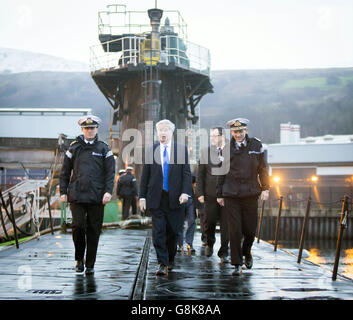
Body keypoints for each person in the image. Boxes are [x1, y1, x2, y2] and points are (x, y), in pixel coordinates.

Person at [59, 115, 115, 275]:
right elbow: (64, 172)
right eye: (86, 128)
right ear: (82, 130)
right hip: (77, 195)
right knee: (78, 227)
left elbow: (110, 173)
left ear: (96, 129)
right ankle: (78, 259)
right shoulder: (73, 148)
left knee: (94, 229)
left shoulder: (104, 149)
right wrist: (63, 192)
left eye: (92, 128)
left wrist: (108, 191)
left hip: (97, 196)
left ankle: (90, 263)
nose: (89, 131)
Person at [216, 118, 270, 276]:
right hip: (231, 194)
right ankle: (237, 264)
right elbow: (222, 172)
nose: (238, 134)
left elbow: (263, 169)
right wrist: (219, 193)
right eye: (235, 132)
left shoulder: (256, 146)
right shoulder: (226, 149)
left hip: (250, 193)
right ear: (231, 133)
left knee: (250, 229)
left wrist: (266, 188)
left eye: (240, 131)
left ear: (246, 131)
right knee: (234, 230)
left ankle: (247, 251)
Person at [139, 119, 192, 276]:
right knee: (159, 231)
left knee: (174, 231)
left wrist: (185, 192)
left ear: (171, 132)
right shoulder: (151, 150)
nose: (162, 133)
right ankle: (162, 263)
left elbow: (186, 174)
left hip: (176, 198)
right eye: (160, 130)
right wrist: (142, 197)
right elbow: (145, 176)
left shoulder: (181, 150)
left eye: (165, 130)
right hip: (157, 197)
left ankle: (169, 259)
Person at [196, 127, 229, 263]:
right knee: (209, 222)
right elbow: (200, 175)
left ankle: (224, 251)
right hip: (210, 195)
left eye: (215, 136)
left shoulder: (231, 151)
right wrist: (200, 192)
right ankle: (210, 243)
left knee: (226, 225)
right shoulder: (206, 152)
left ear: (222, 136)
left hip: (227, 195)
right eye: (211, 136)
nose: (212, 138)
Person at [177, 174, 197, 254]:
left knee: (192, 221)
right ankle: (179, 244)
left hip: (190, 199)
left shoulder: (191, 175)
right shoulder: (176, 172)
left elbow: (195, 184)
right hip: (180, 199)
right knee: (179, 222)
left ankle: (189, 243)